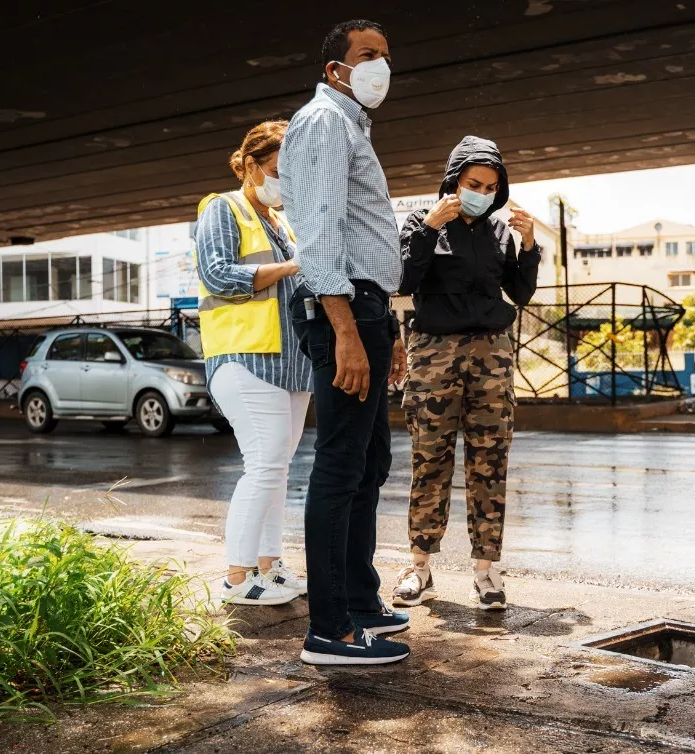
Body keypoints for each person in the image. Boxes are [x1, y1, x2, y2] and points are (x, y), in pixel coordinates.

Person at [280, 19, 410, 666]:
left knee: (370, 463)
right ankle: (329, 630)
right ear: (337, 69)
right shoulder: (325, 123)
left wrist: (385, 324)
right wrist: (347, 330)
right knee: (338, 467)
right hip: (344, 306)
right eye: (367, 55)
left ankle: (360, 600)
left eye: (385, 55)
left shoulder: (350, 125)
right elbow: (321, 235)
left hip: (366, 307)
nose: (380, 66)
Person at [389, 136, 540, 611]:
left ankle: (487, 572)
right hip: (434, 351)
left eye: (492, 186)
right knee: (430, 459)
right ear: (453, 180)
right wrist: (429, 229)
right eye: (473, 183)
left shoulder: (500, 230)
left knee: (489, 461)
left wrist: (529, 243)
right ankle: (419, 569)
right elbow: (401, 281)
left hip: (492, 354)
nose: (482, 192)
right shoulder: (422, 222)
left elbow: (521, 292)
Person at [195, 121, 312, 607]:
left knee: (277, 469)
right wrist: (295, 265)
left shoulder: (281, 223)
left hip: (290, 362)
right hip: (244, 356)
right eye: (278, 171)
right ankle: (237, 577)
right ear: (249, 165)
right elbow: (217, 273)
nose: (284, 181)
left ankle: (270, 567)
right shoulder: (224, 209)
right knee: (263, 465)